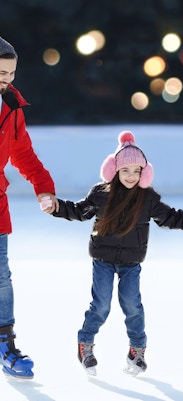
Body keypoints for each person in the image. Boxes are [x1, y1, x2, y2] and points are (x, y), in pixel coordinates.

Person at [46, 131, 183, 376]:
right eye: (125, 171)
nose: (131, 176)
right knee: (101, 305)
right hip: (103, 260)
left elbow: (171, 217)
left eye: (136, 171)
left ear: (144, 173)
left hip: (131, 263)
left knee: (132, 305)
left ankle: (137, 351)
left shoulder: (148, 198)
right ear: (114, 171)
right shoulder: (101, 194)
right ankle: (85, 344)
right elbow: (79, 211)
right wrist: (55, 207)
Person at [0, 36, 58, 380]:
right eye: (0, 71)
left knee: (0, 279)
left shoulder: (11, 107)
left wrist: (44, 188)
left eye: (10, 72)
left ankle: (5, 342)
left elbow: (23, 154)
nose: (6, 78)